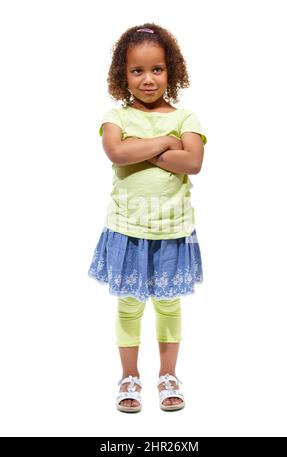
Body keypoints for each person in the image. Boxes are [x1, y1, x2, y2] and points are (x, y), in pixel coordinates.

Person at [88, 22, 207, 413]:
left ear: (171, 70)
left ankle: (168, 375)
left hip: (174, 229)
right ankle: (130, 376)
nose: (148, 79)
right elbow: (116, 153)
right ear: (123, 75)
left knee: (170, 304)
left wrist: (139, 148)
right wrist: (163, 144)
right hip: (127, 229)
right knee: (129, 305)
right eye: (137, 71)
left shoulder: (186, 117)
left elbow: (192, 162)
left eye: (157, 69)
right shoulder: (115, 117)